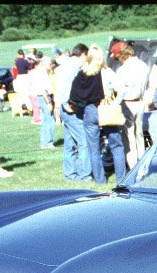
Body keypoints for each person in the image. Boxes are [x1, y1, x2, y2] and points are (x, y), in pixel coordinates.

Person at [68, 44, 125, 184]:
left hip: (89, 111)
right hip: (106, 108)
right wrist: (115, 103)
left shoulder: (82, 74)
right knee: (116, 146)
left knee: (93, 148)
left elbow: (75, 96)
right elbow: (122, 90)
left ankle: (100, 180)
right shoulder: (107, 71)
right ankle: (122, 179)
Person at [56, 44, 91, 181]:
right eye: (86, 56)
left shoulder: (67, 66)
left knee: (69, 144)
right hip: (70, 109)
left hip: (66, 108)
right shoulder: (71, 68)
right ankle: (84, 175)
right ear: (82, 54)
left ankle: (70, 174)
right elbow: (66, 88)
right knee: (84, 141)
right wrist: (66, 105)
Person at [115, 42, 151, 168]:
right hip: (140, 102)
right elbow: (147, 86)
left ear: (121, 55)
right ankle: (142, 163)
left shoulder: (122, 70)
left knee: (128, 136)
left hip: (127, 103)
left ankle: (132, 165)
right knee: (139, 135)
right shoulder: (143, 66)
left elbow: (119, 90)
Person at [31, 56, 55, 149]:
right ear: (44, 63)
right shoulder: (42, 73)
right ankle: (49, 142)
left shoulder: (41, 72)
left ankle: (44, 143)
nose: (51, 65)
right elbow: (43, 90)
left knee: (45, 120)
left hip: (41, 97)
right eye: (50, 64)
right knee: (49, 120)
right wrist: (49, 103)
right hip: (45, 97)